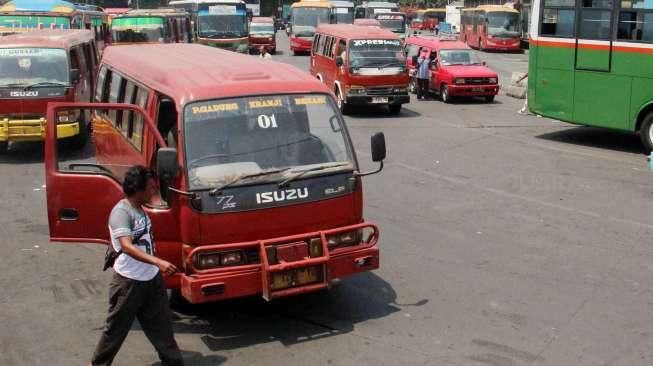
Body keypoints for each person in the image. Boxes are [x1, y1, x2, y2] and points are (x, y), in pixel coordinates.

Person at [91, 166, 183, 366]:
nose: (153, 190)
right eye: (150, 187)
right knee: (115, 331)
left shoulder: (140, 207)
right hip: (128, 284)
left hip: (152, 281)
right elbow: (126, 246)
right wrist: (159, 262)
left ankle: (173, 363)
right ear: (138, 190)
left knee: (163, 328)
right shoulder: (121, 212)